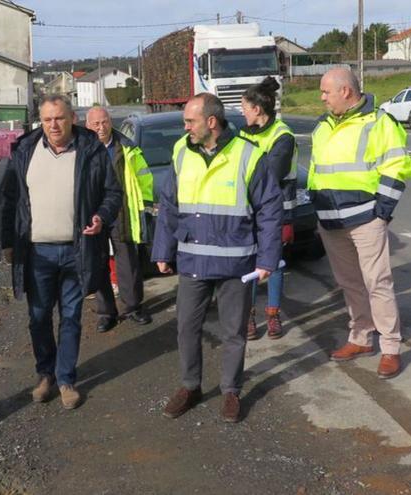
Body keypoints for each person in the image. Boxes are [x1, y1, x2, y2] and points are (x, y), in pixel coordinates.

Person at [152, 93, 282, 423]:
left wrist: (267, 258)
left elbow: (269, 210)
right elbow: (168, 204)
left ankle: (230, 391)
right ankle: (190, 386)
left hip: (235, 264)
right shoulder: (182, 151)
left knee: (234, 333)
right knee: (186, 328)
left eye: (190, 121)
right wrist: (162, 250)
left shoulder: (249, 156)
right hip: (193, 261)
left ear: (212, 122)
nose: (185, 128)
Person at [1, 94, 121, 410]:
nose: (53, 125)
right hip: (36, 252)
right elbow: (10, 200)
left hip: (75, 250)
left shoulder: (91, 149)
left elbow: (112, 193)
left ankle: (66, 378)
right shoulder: (25, 150)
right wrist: (8, 244)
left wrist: (101, 217)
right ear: (40, 121)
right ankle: (45, 374)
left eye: (59, 118)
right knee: (38, 316)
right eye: (47, 119)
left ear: (73, 119)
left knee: (70, 317)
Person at [310, 68, 411, 379]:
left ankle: (391, 348)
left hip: (365, 217)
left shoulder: (379, 122)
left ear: (345, 91)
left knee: (377, 284)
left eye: (326, 92)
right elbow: (317, 171)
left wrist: (381, 212)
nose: (322, 98)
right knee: (349, 283)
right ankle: (360, 338)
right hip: (331, 221)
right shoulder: (322, 126)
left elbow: (398, 166)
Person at [85, 106, 154, 332]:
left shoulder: (125, 147)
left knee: (128, 261)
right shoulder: (80, 150)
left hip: (122, 211)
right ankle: (106, 313)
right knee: (98, 263)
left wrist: (145, 204)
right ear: (88, 126)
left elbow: (143, 176)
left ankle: (133, 307)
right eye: (96, 124)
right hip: (93, 214)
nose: (101, 127)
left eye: (104, 122)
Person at [239, 77, 298, 340]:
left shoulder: (282, 135)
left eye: (245, 107)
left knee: (273, 262)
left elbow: (271, 174)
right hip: (249, 210)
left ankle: (273, 314)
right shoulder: (243, 134)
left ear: (257, 110)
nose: (242, 112)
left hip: (278, 211)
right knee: (249, 263)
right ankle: (248, 315)